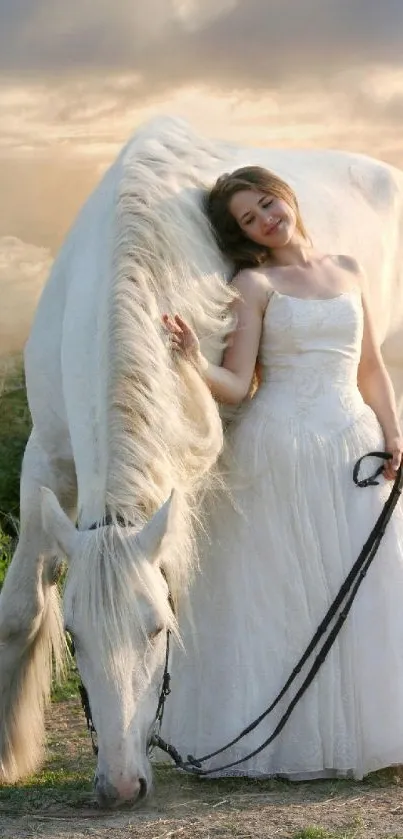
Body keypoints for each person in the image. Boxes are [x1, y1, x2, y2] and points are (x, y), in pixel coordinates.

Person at [161, 166, 403, 779]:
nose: (266, 218)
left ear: (286, 196)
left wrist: (394, 432)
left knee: (370, 587)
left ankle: (376, 734)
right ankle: (291, 742)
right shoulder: (254, 282)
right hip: (281, 451)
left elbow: (370, 368)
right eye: (249, 219)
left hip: (353, 442)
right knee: (285, 592)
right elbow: (238, 387)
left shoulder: (348, 268)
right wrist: (193, 362)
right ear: (244, 234)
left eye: (267, 203)